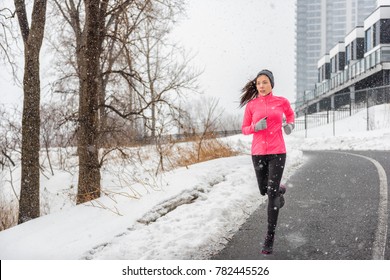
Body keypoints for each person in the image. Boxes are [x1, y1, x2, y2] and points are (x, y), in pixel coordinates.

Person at [240, 69, 295, 255]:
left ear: (271, 83)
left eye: (264, 82)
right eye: (258, 83)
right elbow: (245, 129)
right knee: (264, 190)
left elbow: (291, 115)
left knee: (271, 195)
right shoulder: (251, 106)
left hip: (277, 151)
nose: (261, 86)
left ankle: (269, 237)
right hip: (258, 153)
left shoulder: (282, 102)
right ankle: (280, 189)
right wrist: (255, 127)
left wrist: (290, 125)